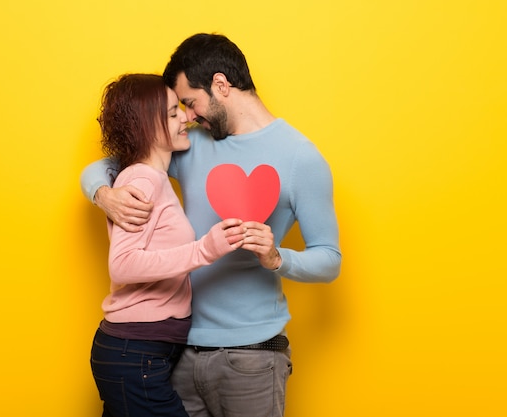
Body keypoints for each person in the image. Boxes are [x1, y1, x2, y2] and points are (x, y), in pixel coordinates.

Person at [82, 34, 342, 417]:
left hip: (251, 359)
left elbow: (329, 259)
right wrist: (104, 195)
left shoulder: (301, 158)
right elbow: (108, 164)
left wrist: (276, 258)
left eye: (190, 103)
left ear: (220, 85)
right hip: (177, 351)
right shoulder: (191, 144)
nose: (188, 116)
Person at [87, 73, 246, 417]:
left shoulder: (153, 177)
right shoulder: (142, 179)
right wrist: (205, 249)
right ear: (147, 125)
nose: (187, 117)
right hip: (135, 352)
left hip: (142, 352)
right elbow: (123, 264)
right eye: (174, 113)